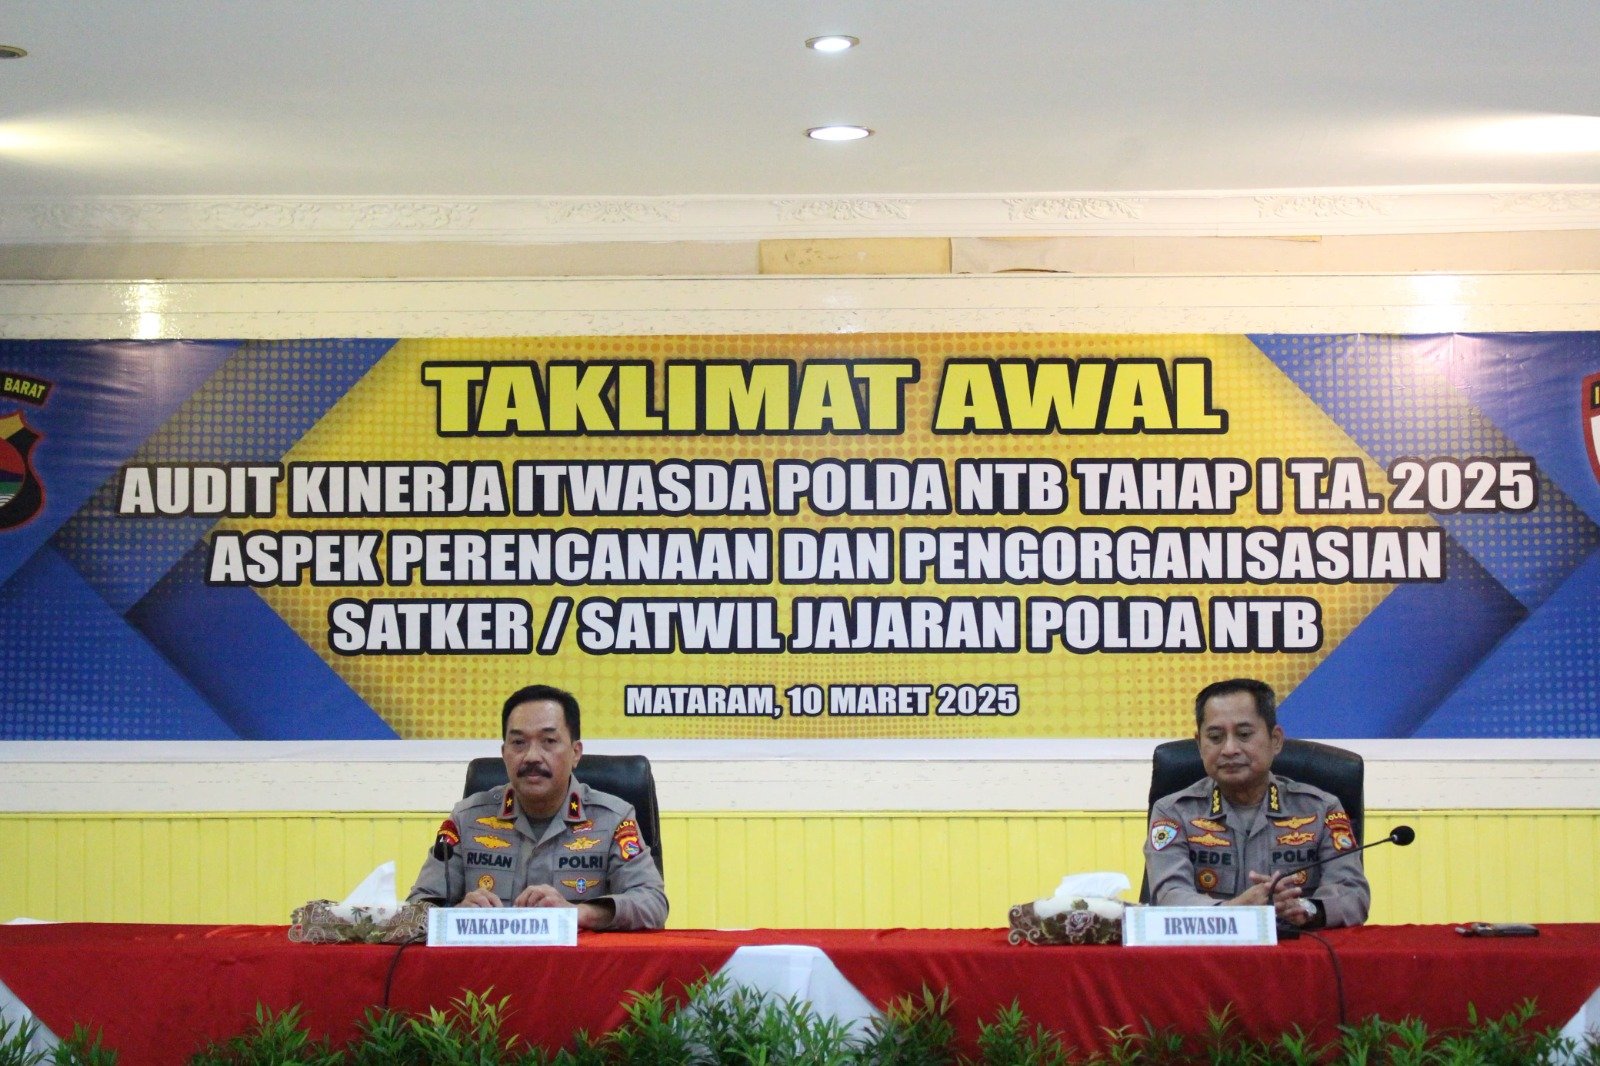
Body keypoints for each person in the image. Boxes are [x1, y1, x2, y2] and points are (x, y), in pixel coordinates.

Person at [407, 684, 668, 930]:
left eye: (549, 741)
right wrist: (454, 915)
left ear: (575, 752)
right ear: (504, 753)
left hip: (574, 962)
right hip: (487, 963)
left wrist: (577, 913)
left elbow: (653, 903)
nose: (532, 756)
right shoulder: (467, 819)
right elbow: (414, 910)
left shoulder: (613, 819)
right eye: (519, 743)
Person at [1143, 678, 1369, 928]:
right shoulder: (1173, 812)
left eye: (1244, 735)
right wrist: (1231, 911)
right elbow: (1168, 897)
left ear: (1275, 740)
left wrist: (1306, 908)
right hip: (1210, 949)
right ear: (1199, 744)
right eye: (1215, 737)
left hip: (1296, 948)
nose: (1229, 749)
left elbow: (1353, 895)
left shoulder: (1321, 809)